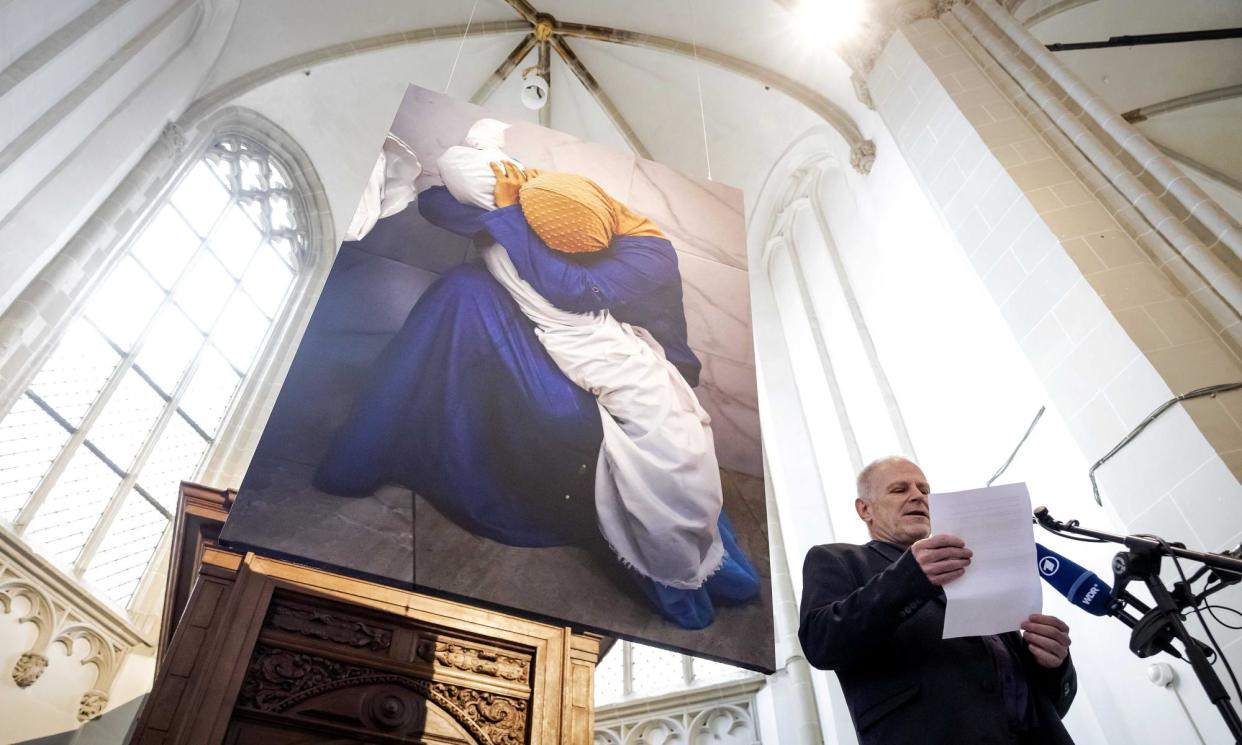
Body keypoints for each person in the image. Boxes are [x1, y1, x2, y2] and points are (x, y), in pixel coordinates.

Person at [314, 147, 759, 629]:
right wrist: (505, 197)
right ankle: (379, 444)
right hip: (547, 334)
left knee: (660, 439)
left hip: (630, 356)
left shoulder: (649, 251)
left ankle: (687, 558)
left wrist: (507, 215)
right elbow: (436, 204)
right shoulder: (546, 200)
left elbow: (571, 288)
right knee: (463, 289)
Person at [797, 456, 1077, 745]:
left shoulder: (974, 567)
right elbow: (821, 642)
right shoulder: (837, 560)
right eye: (899, 489)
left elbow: (1049, 704)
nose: (918, 496)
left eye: (924, 489)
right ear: (865, 508)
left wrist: (1052, 663)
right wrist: (910, 577)